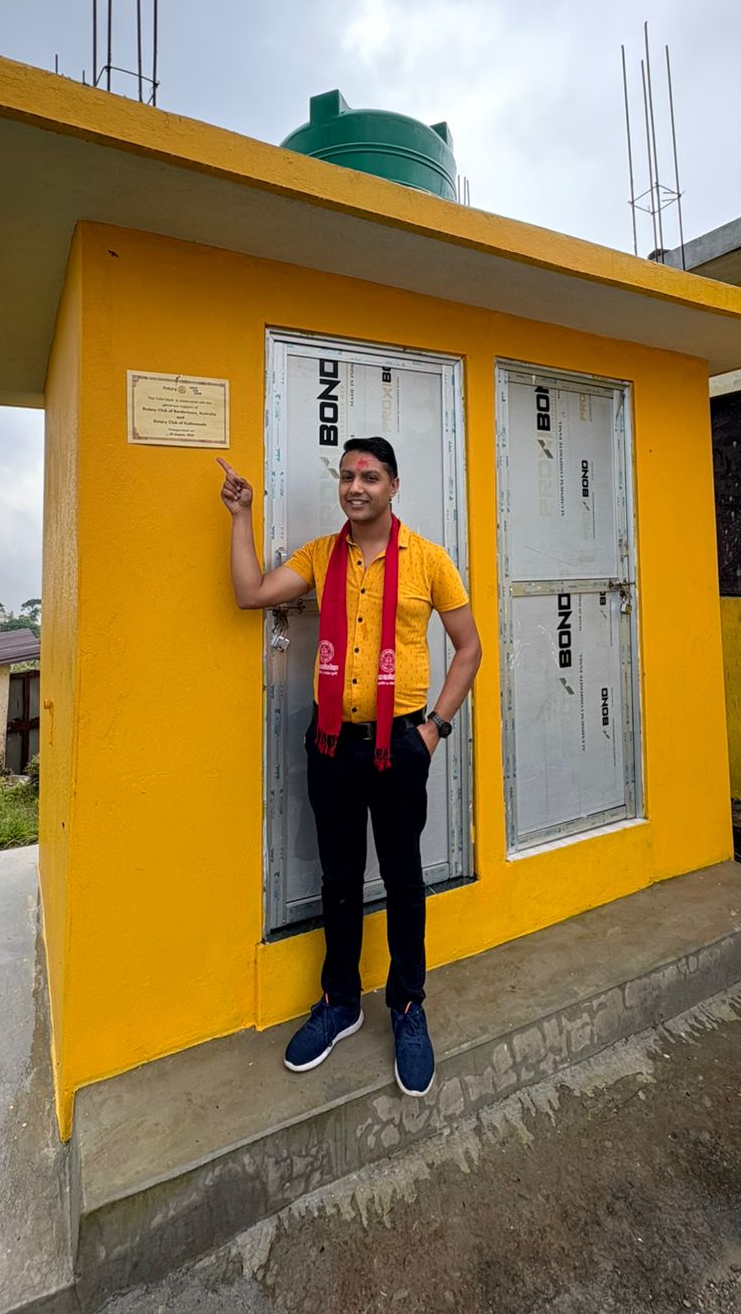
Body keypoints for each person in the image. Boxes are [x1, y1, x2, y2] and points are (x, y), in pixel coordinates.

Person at [219, 437, 482, 1096]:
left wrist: (435, 730)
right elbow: (251, 593)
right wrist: (240, 515)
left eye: (368, 476)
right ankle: (339, 1001)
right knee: (339, 879)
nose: (355, 486)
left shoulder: (428, 561)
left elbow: (469, 649)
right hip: (332, 747)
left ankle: (408, 1007)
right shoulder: (320, 556)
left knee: (403, 880)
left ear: (394, 485)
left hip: (401, 749)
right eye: (346, 477)